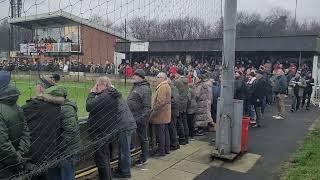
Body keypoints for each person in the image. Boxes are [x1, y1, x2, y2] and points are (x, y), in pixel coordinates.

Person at [22, 74, 66, 180]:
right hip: (50, 150)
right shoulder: (57, 107)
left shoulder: (30, 107)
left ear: (41, 87)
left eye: (37, 85)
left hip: (33, 152)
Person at [86, 77, 122, 180]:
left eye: (97, 85)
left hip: (100, 131)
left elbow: (89, 106)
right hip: (107, 129)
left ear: (103, 85)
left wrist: (92, 93)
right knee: (105, 157)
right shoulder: (111, 95)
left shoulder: (105, 96)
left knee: (101, 159)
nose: (96, 87)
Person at [0, 71, 30, 179]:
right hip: (16, 162)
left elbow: (2, 144)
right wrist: (20, 153)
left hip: (4, 165)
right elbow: (26, 131)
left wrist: (16, 157)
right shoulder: (16, 107)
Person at [127, 69, 152, 166]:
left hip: (140, 119)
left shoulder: (145, 89)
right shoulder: (135, 86)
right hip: (132, 117)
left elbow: (147, 107)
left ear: (140, 77)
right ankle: (132, 149)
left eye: (135, 75)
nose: (133, 77)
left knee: (143, 138)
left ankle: (144, 158)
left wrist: (140, 118)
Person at [114, 86, 137, 178]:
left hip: (125, 126)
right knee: (124, 150)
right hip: (127, 125)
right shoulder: (119, 98)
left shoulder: (114, 99)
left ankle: (126, 172)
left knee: (125, 151)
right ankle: (122, 169)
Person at [149, 72, 171, 156]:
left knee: (161, 133)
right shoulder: (166, 86)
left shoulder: (163, 87)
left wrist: (154, 111)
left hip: (161, 114)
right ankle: (166, 149)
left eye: (158, 77)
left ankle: (162, 151)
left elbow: (160, 102)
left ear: (162, 78)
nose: (156, 79)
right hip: (165, 114)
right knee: (165, 132)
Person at [174, 75, 189, 145]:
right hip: (185, 103)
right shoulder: (186, 81)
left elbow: (174, 91)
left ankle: (182, 138)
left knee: (179, 122)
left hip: (179, 104)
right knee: (184, 121)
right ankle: (186, 138)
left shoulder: (177, 82)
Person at [168, 77, 180, 150]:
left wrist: (167, 104)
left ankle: (175, 144)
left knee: (172, 128)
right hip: (173, 111)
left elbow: (175, 101)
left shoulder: (172, 88)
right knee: (172, 128)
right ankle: (174, 143)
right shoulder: (173, 88)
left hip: (173, 111)